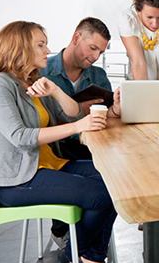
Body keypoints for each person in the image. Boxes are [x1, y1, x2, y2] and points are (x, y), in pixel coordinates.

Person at [0, 21, 119, 263]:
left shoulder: (33, 82)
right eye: (40, 44)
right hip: (17, 181)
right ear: (19, 47)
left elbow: (73, 113)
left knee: (114, 180)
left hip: (49, 165)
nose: (48, 49)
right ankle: (89, 258)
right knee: (101, 193)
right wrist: (78, 128)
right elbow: (20, 136)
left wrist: (54, 90)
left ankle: (82, 254)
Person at [38, 17, 114, 245]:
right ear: (76, 38)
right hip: (58, 148)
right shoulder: (43, 71)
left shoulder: (99, 76)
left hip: (94, 144)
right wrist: (79, 111)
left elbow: (108, 115)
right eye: (93, 48)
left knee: (115, 173)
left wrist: (115, 108)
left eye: (100, 52)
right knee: (104, 178)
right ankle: (70, 235)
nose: (95, 57)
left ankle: (87, 243)